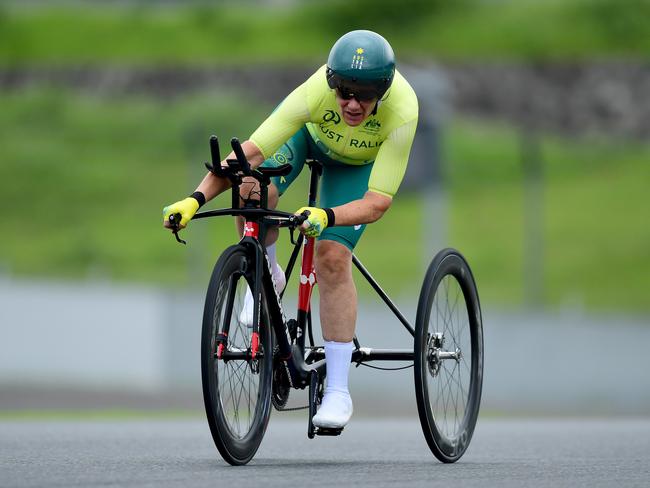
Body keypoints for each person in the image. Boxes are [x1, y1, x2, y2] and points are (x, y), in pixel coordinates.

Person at [163, 30, 418, 429]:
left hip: (358, 168)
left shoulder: (403, 109)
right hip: (309, 140)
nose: (351, 103)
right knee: (250, 187)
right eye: (344, 91)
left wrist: (328, 217)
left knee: (331, 256)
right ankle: (266, 273)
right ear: (332, 82)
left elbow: (376, 203)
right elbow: (249, 153)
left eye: (363, 95)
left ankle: (337, 389)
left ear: (383, 91)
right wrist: (193, 199)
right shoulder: (316, 91)